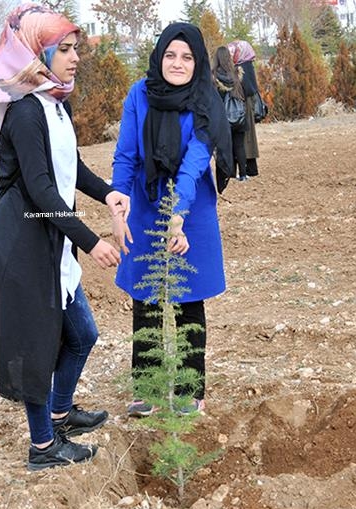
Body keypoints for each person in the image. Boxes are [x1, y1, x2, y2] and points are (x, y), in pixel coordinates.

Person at [0, 3, 129, 471]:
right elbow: (41, 189)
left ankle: (61, 413)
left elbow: (71, 167)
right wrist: (91, 241)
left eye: (75, 48)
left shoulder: (55, 104)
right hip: (23, 244)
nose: (75, 57)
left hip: (49, 238)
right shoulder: (26, 112)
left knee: (82, 334)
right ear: (35, 53)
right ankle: (43, 446)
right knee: (37, 347)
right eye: (63, 49)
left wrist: (107, 193)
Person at [111, 23, 233, 417]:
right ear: (159, 56)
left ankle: (189, 389)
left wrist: (177, 214)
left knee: (187, 297)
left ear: (197, 63)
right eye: (170, 55)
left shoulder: (205, 99)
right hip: (145, 203)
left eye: (186, 57)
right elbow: (126, 154)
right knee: (146, 295)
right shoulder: (139, 94)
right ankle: (146, 385)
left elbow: (195, 163)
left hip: (191, 208)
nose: (177, 63)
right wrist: (118, 205)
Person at [213, 45, 248, 181]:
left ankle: (230, 174)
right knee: (239, 145)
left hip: (223, 118)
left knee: (226, 147)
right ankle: (243, 174)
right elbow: (245, 92)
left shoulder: (214, 76)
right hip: (239, 116)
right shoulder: (237, 74)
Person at [227, 40, 260, 178]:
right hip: (246, 104)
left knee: (241, 138)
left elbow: (245, 87)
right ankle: (249, 168)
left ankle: (243, 169)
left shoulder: (242, 67)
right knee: (247, 138)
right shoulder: (247, 65)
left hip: (242, 105)